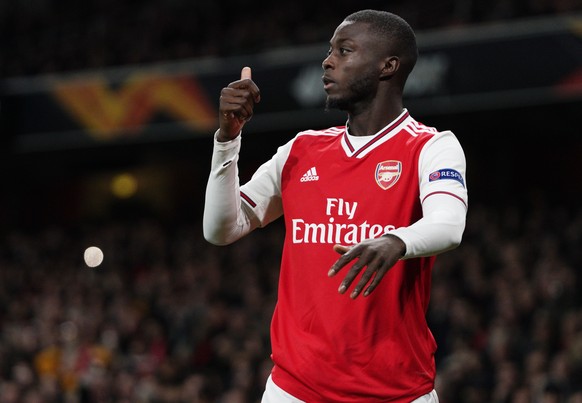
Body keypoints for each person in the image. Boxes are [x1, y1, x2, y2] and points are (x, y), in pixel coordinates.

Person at [203, 9, 468, 402]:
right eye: (330, 50)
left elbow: (448, 225)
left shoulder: (431, 146)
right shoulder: (301, 150)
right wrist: (227, 140)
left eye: (344, 51)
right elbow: (221, 229)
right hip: (293, 391)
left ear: (387, 66)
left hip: (396, 391)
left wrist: (395, 242)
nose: (328, 61)